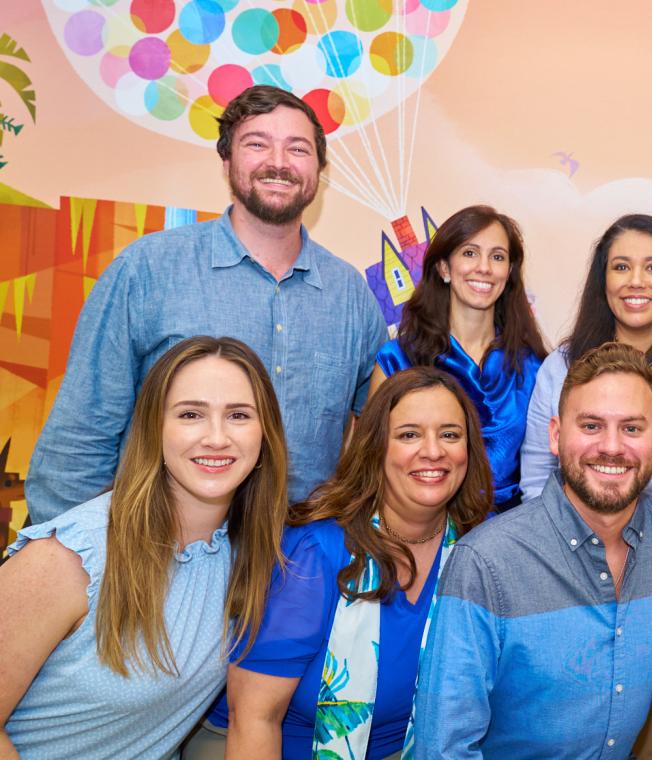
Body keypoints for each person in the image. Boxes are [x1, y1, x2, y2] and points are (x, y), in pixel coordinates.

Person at [26, 85, 384, 523]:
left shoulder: (351, 296)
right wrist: (65, 558)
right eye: (257, 144)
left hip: (295, 568)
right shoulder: (148, 269)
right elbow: (83, 433)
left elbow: (383, 438)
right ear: (226, 162)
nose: (278, 162)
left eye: (298, 149)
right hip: (158, 554)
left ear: (319, 169)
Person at [414, 342, 652, 759]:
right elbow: (443, 747)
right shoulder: (486, 563)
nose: (611, 446)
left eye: (632, 428)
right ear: (555, 435)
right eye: (591, 426)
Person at [0, 337, 289, 758]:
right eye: (191, 414)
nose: (216, 437)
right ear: (155, 428)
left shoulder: (253, 551)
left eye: (239, 415)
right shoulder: (70, 558)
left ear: (266, 435)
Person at [207, 368, 492, 760]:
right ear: (376, 448)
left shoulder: (478, 551)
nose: (433, 450)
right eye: (409, 434)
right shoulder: (316, 552)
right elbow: (255, 717)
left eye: (450, 434)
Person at [519, 214, 652, 756]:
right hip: (568, 589)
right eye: (621, 266)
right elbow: (537, 477)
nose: (636, 280)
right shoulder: (561, 368)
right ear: (601, 281)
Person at [369, 205, 546, 509]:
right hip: (421, 529)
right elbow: (371, 462)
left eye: (498, 257)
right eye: (469, 253)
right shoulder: (397, 359)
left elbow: (544, 470)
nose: (484, 267)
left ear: (509, 273)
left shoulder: (533, 368)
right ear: (444, 268)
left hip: (510, 536)